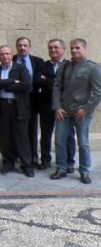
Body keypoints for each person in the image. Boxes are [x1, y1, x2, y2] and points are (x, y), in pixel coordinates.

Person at [51, 38, 101, 184]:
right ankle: (61, 167)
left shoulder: (94, 68)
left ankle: (84, 171)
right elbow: (57, 87)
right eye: (72, 48)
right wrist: (57, 107)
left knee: (83, 143)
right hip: (64, 111)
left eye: (77, 48)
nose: (74, 51)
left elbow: (98, 93)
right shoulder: (64, 66)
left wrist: (85, 109)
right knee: (59, 141)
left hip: (81, 113)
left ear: (84, 49)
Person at [0, 45, 34, 177]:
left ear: (11, 54)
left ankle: (27, 165)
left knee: (22, 137)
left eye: (7, 54)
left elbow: (26, 85)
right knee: (4, 137)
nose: (5, 56)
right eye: (2, 54)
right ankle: (8, 163)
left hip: (17, 107)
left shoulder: (20, 68)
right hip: (2, 107)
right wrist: (13, 81)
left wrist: (4, 85)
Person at [36, 39, 75, 171]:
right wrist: (57, 82)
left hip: (65, 105)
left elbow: (71, 83)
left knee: (68, 135)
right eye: (50, 48)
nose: (53, 50)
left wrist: (47, 80)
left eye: (56, 48)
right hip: (46, 104)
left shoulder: (70, 65)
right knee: (46, 134)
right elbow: (37, 81)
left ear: (63, 49)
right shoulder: (43, 65)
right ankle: (45, 160)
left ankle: (69, 162)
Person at [13, 37, 45, 168]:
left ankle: (33, 155)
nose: (22, 48)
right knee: (16, 128)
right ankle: (16, 155)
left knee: (32, 128)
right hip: (15, 99)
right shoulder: (11, 59)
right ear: (16, 46)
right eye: (20, 45)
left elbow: (39, 81)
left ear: (29, 47)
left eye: (25, 45)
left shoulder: (37, 61)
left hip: (32, 99)